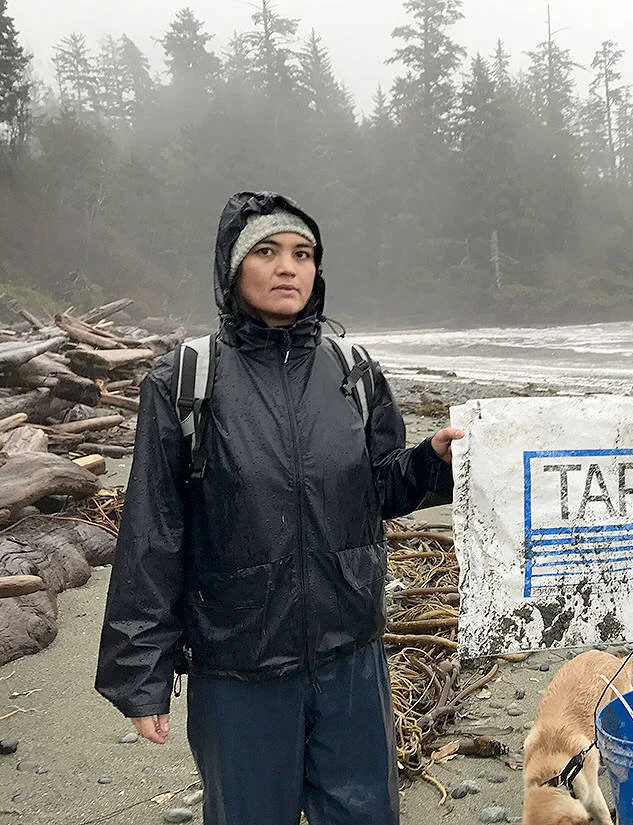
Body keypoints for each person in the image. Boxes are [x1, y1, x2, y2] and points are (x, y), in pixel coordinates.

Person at [95, 191, 463, 825]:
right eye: (265, 252)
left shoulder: (352, 370)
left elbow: (383, 488)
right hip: (238, 666)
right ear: (232, 270)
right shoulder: (185, 382)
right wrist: (140, 674)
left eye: (303, 254)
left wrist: (433, 459)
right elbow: (154, 532)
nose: (288, 267)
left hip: (350, 654)